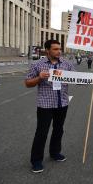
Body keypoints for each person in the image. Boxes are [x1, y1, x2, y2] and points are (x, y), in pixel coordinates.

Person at [25, 39, 75, 173]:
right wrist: (39, 78)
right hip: (45, 105)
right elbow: (28, 83)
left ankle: (55, 153)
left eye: (60, 49)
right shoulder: (38, 65)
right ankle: (36, 161)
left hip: (62, 103)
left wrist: (91, 80)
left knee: (59, 130)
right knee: (41, 133)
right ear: (47, 50)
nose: (59, 51)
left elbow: (76, 79)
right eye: (55, 49)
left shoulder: (66, 64)